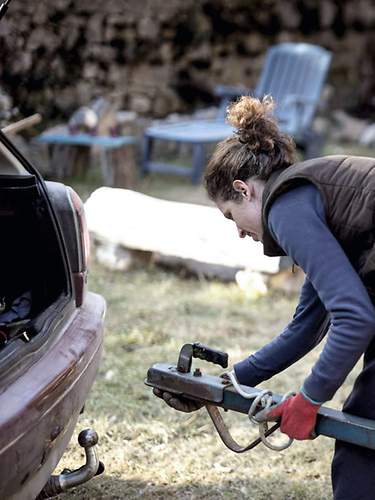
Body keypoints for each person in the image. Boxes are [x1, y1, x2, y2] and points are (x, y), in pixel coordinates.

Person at [153, 95, 375, 500]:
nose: (238, 231)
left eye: (229, 216)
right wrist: (229, 383)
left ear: (243, 190)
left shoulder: (284, 206)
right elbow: (307, 327)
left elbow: (355, 318)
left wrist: (308, 401)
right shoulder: (314, 199)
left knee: (362, 454)